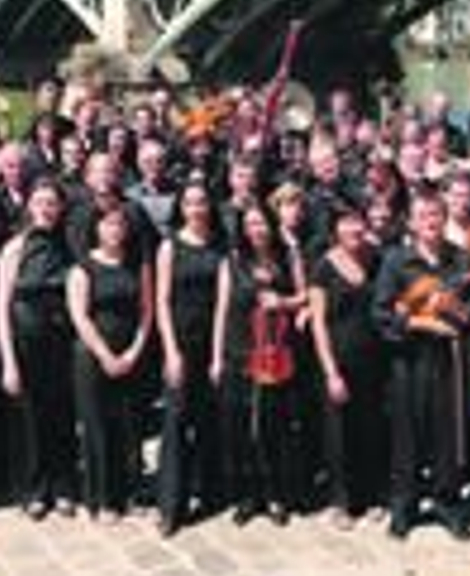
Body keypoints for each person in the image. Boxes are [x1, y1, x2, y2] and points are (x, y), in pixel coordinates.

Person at [374, 187, 470, 541]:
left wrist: (455, 311)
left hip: (447, 357)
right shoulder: (395, 260)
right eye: (424, 216)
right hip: (408, 358)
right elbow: (381, 313)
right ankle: (404, 505)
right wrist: (419, 321)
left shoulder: (460, 259)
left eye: (436, 214)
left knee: (446, 433)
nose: (431, 221)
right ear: (412, 223)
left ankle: (447, 502)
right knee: (407, 432)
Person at [212, 203, 306, 527]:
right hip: (239, 350)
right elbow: (221, 311)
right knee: (241, 429)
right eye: (251, 224)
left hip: (276, 353)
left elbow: (304, 296)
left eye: (262, 223)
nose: (257, 230)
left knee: (274, 427)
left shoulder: (288, 257)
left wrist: (283, 301)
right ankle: (247, 496)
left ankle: (277, 495)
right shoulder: (232, 261)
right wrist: (215, 357)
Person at [0, 179, 80, 520]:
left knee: (62, 416)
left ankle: (63, 486)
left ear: (61, 207)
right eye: (40, 202)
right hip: (25, 341)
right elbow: (0, 305)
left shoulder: (70, 244)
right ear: (29, 206)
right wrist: (7, 361)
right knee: (29, 419)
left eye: (52, 203)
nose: (46, 209)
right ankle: (33, 489)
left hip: (62, 342)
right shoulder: (16, 246)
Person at [66, 199, 153, 522]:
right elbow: (80, 317)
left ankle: (130, 493)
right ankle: (102, 500)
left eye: (120, 224)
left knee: (130, 425)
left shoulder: (138, 264)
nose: (115, 230)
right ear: (96, 229)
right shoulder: (82, 267)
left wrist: (133, 351)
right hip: (92, 356)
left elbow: (147, 312)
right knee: (98, 427)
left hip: (132, 352)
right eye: (108, 224)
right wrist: (105, 355)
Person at [307, 208, 388, 530]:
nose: (354, 228)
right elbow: (318, 324)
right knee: (338, 432)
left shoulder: (376, 258)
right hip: (337, 361)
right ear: (336, 229)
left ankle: (369, 496)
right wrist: (330, 372)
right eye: (347, 223)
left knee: (370, 429)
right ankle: (340, 501)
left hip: (373, 360)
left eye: (359, 221)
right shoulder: (323, 267)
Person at [155, 183, 227, 536]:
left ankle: (210, 492)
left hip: (211, 342)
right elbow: (162, 301)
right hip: (180, 343)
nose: (197, 208)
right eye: (190, 202)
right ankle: (171, 506)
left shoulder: (220, 245)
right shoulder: (169, 246)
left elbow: (223, 304)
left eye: (202, 202)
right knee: (176, 420)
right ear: (181, 207)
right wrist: (170, 350)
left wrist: (217, 355)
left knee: (209, 420)